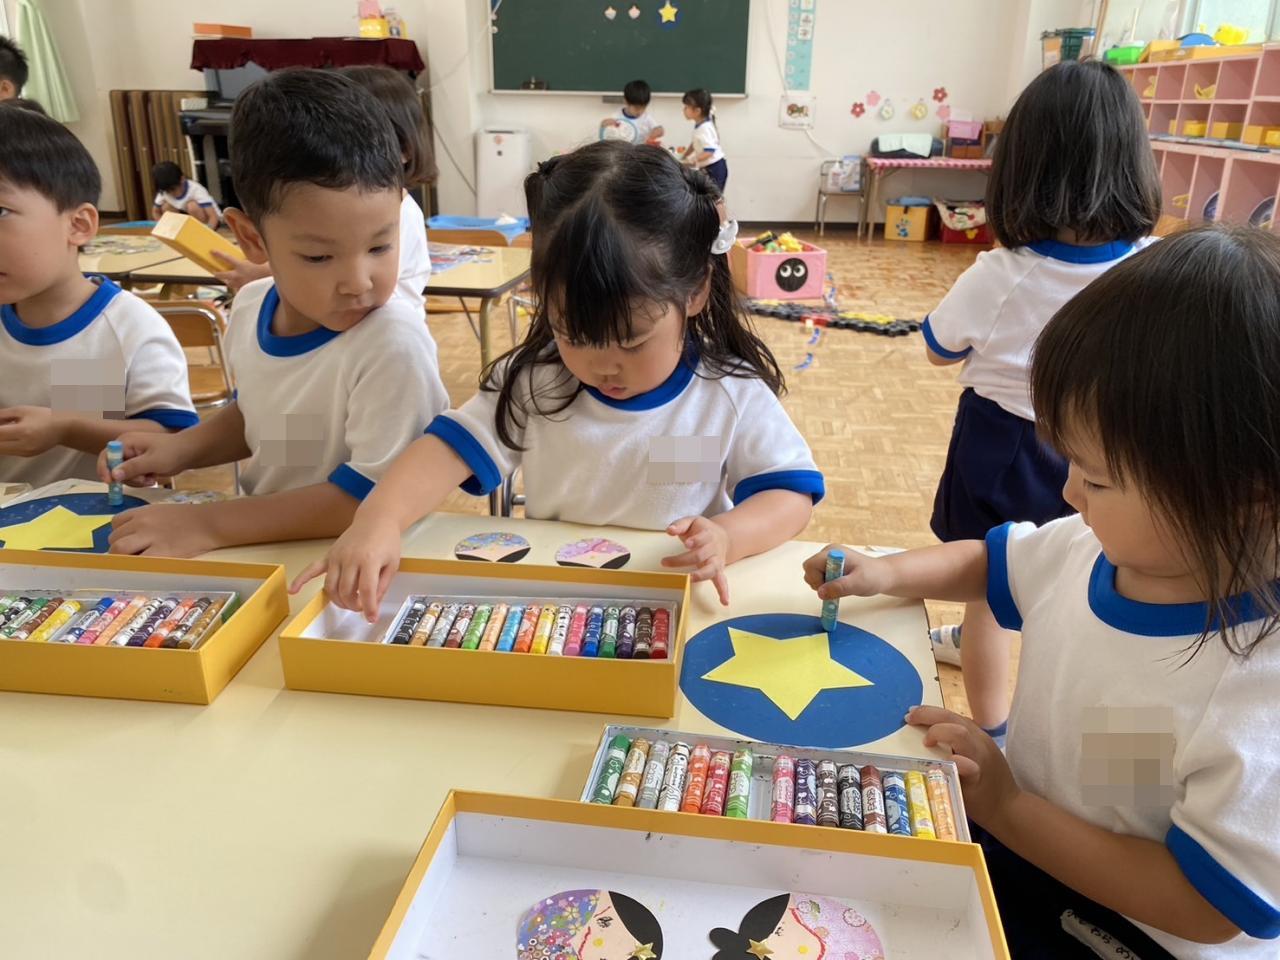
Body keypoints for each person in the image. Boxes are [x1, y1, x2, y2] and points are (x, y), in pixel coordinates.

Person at [805, 226, 1280, 959]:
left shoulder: (1255, 692)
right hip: (1030, 856)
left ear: (1244, 496)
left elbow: (1207, 906)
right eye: (1072, 465)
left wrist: (1009, 806)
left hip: (1137, 935)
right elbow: (990, 564)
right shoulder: (1098, 547)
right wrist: (886, 572)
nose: (1068, 493)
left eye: (1099, 479)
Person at [292, 140, 823, 617]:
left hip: (674, 604)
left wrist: (729, 536)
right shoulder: (538, 382)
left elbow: (789, 493)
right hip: (557, 606)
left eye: (632, 341)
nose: (603, 365)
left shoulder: (727, 394)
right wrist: (378, 521)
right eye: (573, 334)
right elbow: (445, 451)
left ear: (696, 292)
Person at [100, 69, 448, 557]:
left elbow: (374, 500)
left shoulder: (393, 343)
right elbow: (267, 417)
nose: (358, 281)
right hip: (268, 549)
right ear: (251, 238)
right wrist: (182, 448)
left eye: (380, 246)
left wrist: (208, 525)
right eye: (319, 257)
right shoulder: (249, 306)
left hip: (358, 571)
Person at [920, 59, 1160, 741]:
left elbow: (938, 348)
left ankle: (993, 730)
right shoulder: (1151, 267)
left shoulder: (1001, 273)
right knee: (1092, 579)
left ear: (1020, 170)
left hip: (1002, 447)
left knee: (989, 593)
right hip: (1110, 458)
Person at [0, 107, 195, 487]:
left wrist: (65, 429)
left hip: (102, 517)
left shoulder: (127, 327)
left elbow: (173, 440)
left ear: (78, 225)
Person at [212, 66, 435, 309]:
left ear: (404, 148)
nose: (358, 283)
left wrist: (261, 274)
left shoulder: (401, 213)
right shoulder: (252, 309)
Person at [150, 160, 221, 229]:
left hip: (212, 221)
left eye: (173, 189)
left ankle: (200, 230)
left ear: (182, 179)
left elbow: (213, 217)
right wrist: (162, 227)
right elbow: (155, 211)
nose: (171, 193)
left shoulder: (195, 189)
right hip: (188, 218)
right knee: (166, 206)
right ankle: (175, 231)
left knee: (192, 206)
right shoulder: (164, 191)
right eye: (167, 191)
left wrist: (207, 231)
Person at [680, 88, 726, 192]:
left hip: (715, 168)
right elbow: (694, 143)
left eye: (686, 107)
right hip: (709, 167)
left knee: (713, 199)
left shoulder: (704, 128)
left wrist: (692, 160)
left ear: (697, 111)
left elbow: (709, 151)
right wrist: (684, 156)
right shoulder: (700, 124)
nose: (683, 110)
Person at [600, 78, 664, 145]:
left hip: (641, 149)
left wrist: (655, 133)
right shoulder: (618, 115)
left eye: (644, 108)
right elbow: (605, 126)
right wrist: (605, 123)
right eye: (637, 108)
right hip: (623, 148)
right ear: (626, 102)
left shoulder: (646, 117)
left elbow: (660, 130)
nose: (640, 112)